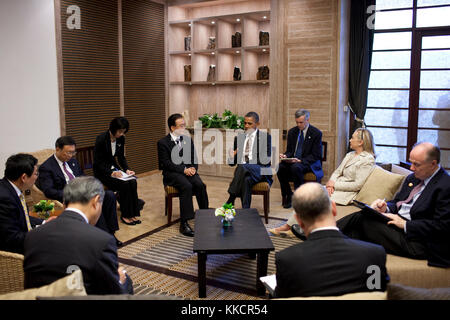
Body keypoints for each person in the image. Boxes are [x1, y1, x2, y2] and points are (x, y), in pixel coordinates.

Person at [337, 142, 450, 268]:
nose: (411, 168)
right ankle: (329, 247)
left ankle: (321, 237)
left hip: (416, 241)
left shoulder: (445, 186)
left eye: (416, 164)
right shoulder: (413, 178)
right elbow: (397, 202)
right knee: (362, 220)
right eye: (411, 162)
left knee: (363, 220)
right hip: (397, 226)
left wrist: (405, 224)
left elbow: (443, 226)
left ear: (433, 164)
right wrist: (386, 208)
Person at [274, 182, 389, 298]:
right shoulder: (375, 254)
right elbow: (377, 295)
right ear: (333, 208)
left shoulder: (286, 259)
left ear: (298, 220)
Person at [23, 176, 133, 295]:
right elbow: (112, 294)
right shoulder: (102, 241)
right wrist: (120, 281)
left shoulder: (32, 236)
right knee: (126, 281)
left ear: (64, 204)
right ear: (96, 202)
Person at [270, 128, 376, 236]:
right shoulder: (350, 155)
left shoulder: (367, 159)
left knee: (312, 199)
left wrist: (334, 185)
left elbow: (357, 185)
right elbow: (337, 171)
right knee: (308, 195)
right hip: (334, 187)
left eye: (352, 138)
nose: (349, 140)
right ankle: (293, 226)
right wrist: (331, 182)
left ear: (360, 142)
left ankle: (292, 227)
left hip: (347, 193)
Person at [37, 136, 122, 246]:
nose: (70, 156)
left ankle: (111, 232)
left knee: (109, 195)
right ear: (57, 149)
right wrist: (72, 194)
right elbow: (49, 191)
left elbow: (83, 177)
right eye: (67, 152)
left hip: (83, 192)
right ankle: (105, 238)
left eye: (73, 152)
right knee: (93, 202)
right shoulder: (47, 167)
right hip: (69, 198)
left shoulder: (72, 161)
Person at [157, 113, 209, 237]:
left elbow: (193, 158)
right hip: (172, 174)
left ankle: (205, 215)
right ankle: (184, 223)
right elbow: (166, 164)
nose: (184, 128)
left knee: (200, 185)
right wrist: (184, 170)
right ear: (172, 128)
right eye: (181, 126)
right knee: (187, 186)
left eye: (184, 125)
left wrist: (193, 168)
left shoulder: (187, 139)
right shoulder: (163, 143)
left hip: (187, 171)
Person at [93, 117, 143, 226]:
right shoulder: (101, 139)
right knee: (124, 184)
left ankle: (133, 213)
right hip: (102, 172)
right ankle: (125, 215)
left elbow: (121, 158)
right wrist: (111, 173)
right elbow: (98, 162)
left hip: (113, 168)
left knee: (132, 181)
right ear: (113, 128)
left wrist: (127, 169)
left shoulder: (121, 139)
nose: (121, 134)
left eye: (123, 131)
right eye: (120, 131)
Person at [0, 154, 48, 253]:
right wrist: (42, 233)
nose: (36, 177)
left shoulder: (11, 188)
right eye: (36, 174)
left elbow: (21, 217)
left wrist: (44, 223)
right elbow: (12, 238)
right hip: (14, 252)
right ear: (24, 177)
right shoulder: (4, 199)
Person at [277, 109, 323, 209]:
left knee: (296, 167)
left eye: (301, 122)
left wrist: (301, 160)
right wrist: (285, 156)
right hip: (294, 160)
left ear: (307, 120)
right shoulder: (292, 132)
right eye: (297, 122)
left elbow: (316, 155)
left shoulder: (316, 133)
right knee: (280, 168)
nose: (299, 125)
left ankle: (299, 197)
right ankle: (289, 195)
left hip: (307, 162)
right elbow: (289, 150)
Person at [226, 111, 272, 208]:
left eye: (249, 123)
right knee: (246, 180)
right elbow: (232, 164)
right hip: (244, 172)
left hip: (261, 170)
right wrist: (231, 156)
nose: (246, 126)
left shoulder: (265, 137)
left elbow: (265, 161)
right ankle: (246, 211)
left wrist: (248, 164)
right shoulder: (239, 138)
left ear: (257, 124)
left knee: (243, 166)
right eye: (245, 123)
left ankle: (231, 198)